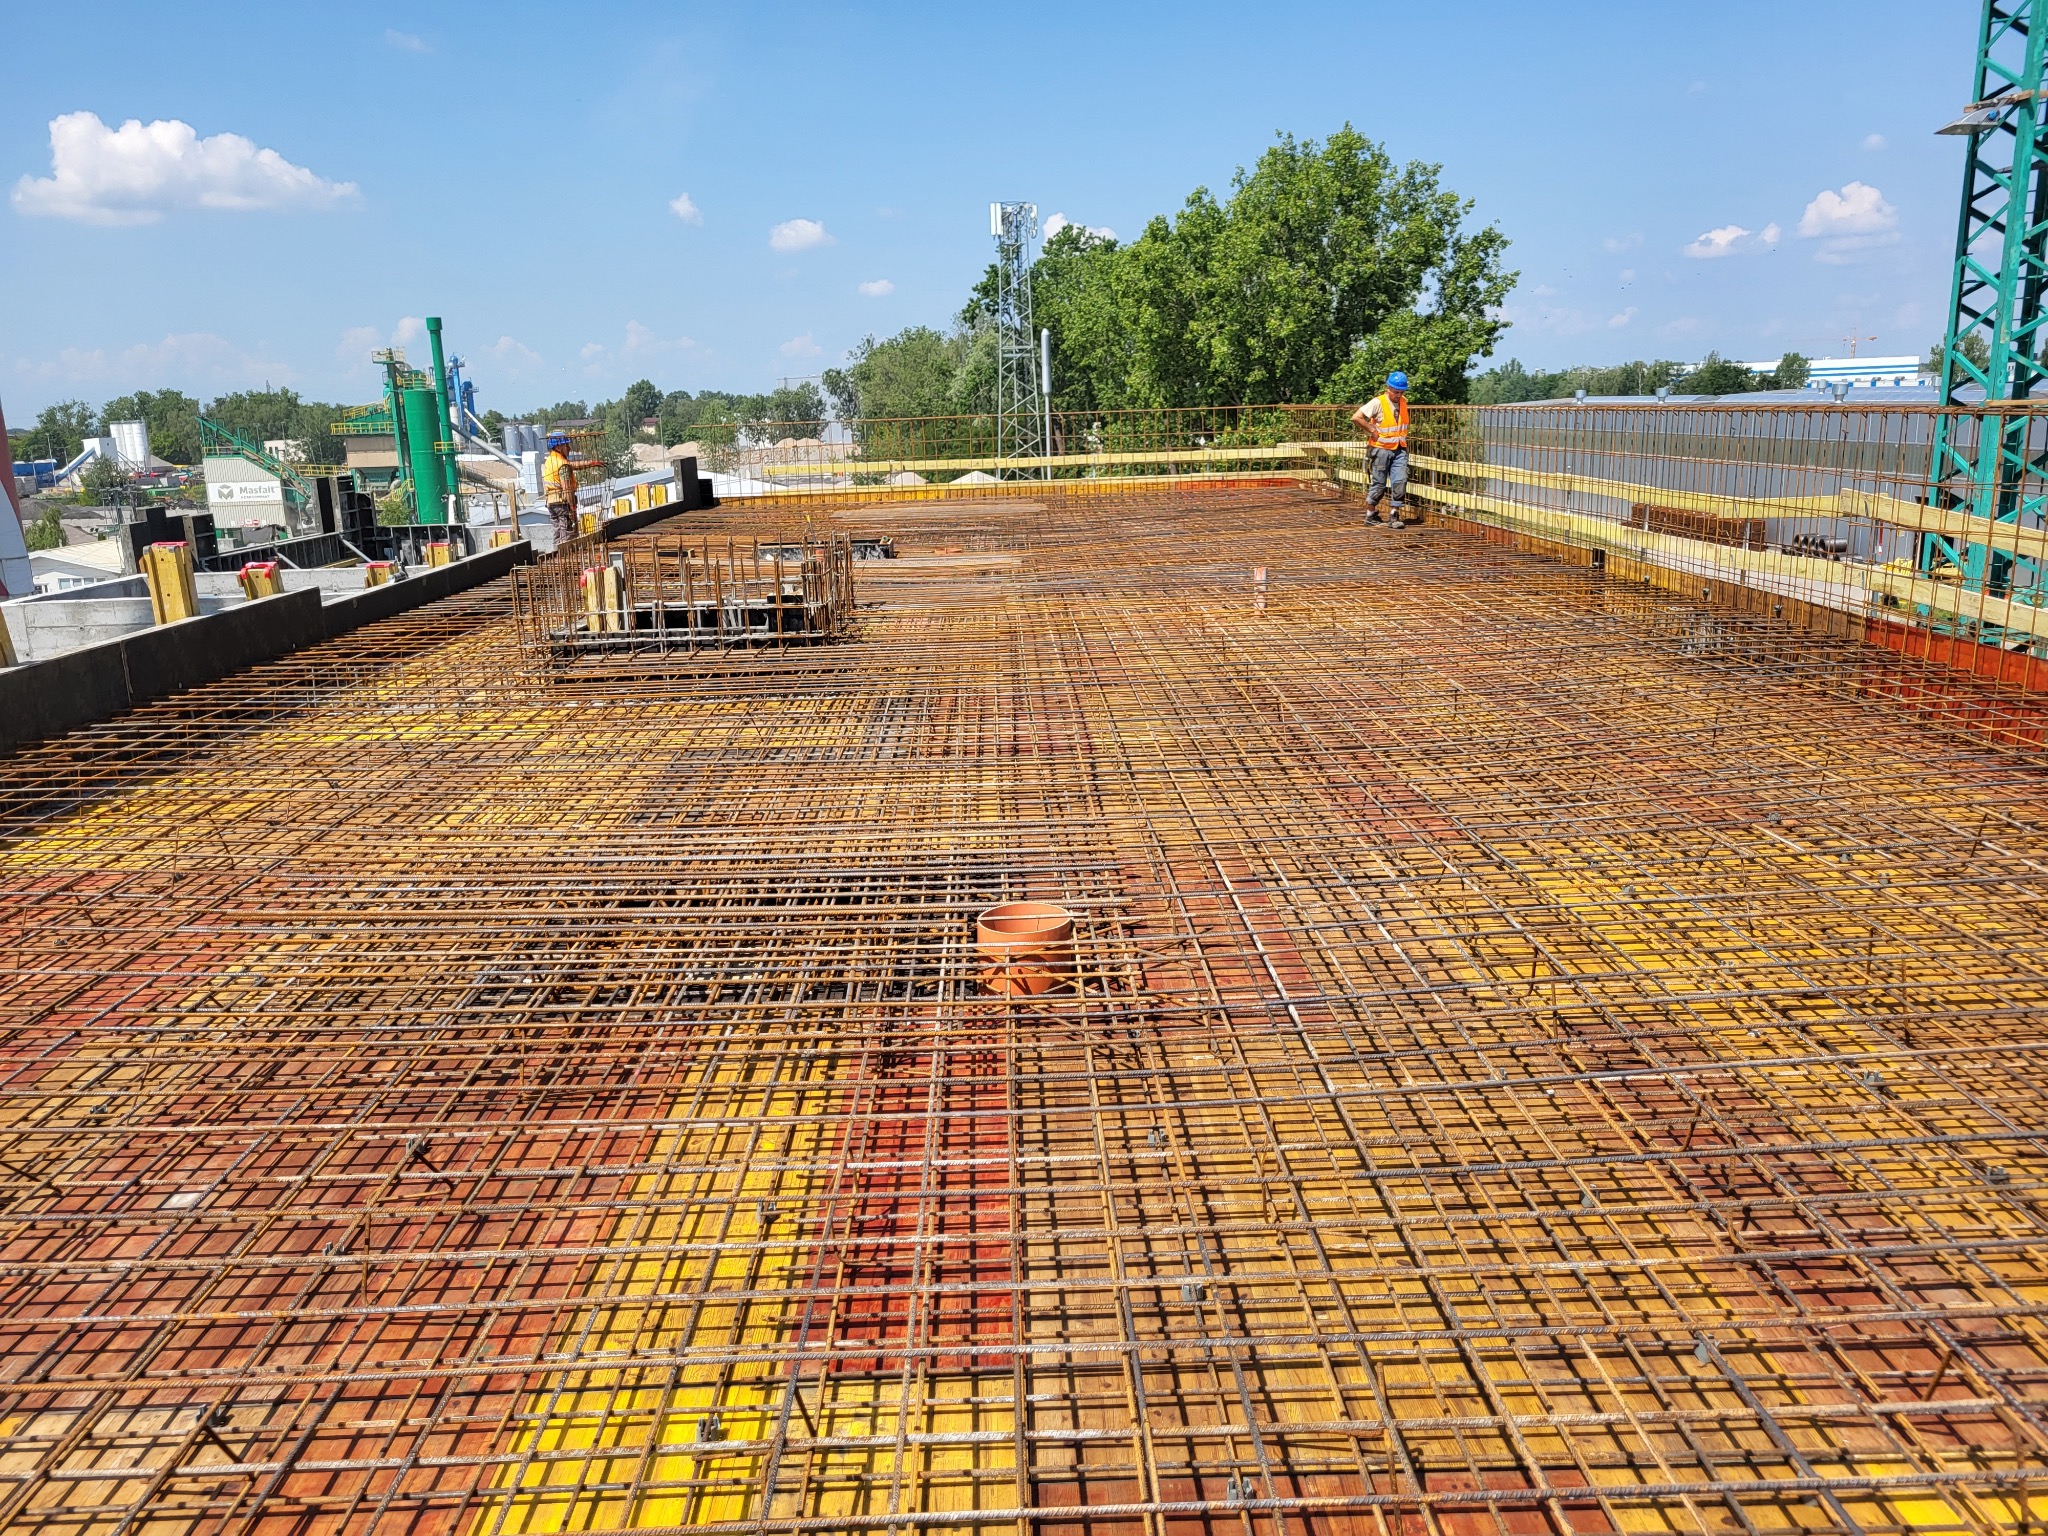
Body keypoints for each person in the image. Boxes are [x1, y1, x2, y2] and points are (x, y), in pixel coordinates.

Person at [1350, 372, 1411, 527]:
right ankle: (1370, 514)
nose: (1399, 395)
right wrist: (1372, 430)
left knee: (1400, 480)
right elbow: (1356, 417)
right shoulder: (1378, 402)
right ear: (1388, 388)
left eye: (1401, 392)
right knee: (1379, 483)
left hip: (1400, 448)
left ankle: (1394, 516)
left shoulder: (1403, 401)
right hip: (1381, 449)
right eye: (1396, 391)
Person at [541, 432, 602, 546]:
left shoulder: (551, 460)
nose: (569, 448)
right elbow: (567, 489)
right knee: (567, 533)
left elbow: (573, 465)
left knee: (557, 532)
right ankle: (566, 556)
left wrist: (591, 463)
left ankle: (557, 555)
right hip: (562, 504)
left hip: (551, 503)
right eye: (566, 445)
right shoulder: (563, 465)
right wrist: (572, 508)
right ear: (558, 447)